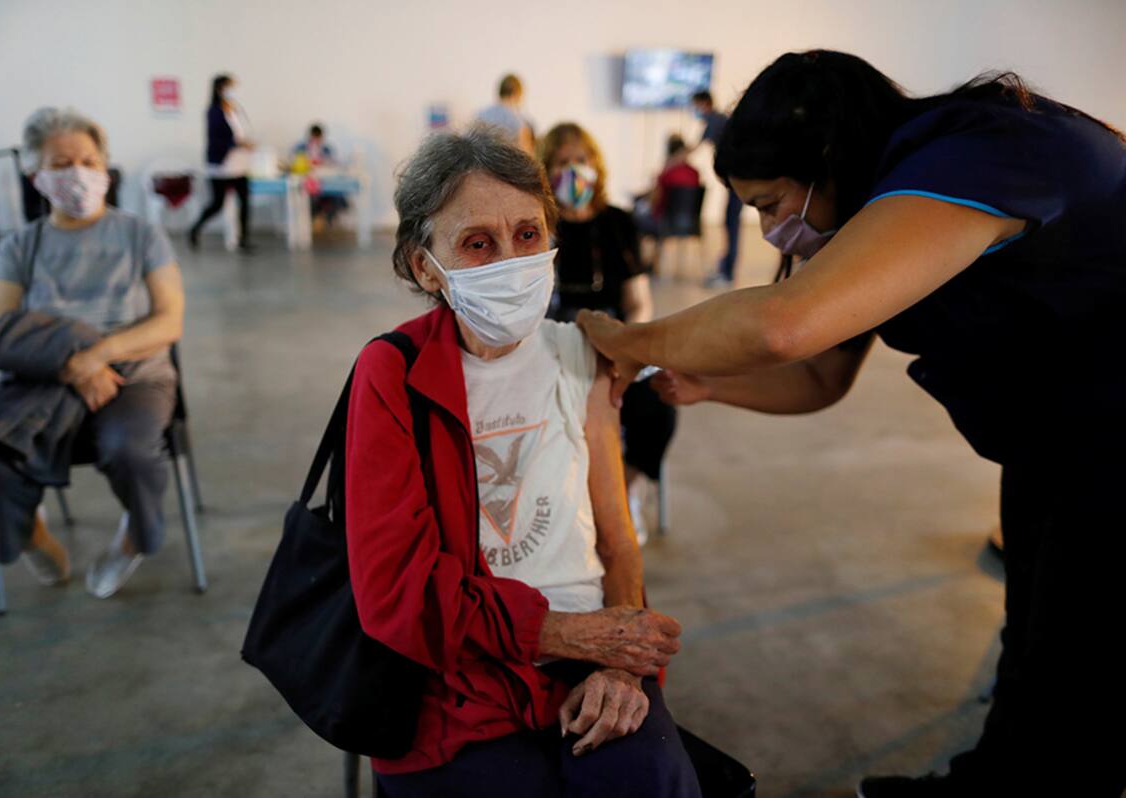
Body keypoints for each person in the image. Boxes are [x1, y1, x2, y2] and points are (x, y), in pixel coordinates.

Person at [578, 49, 1126, 798]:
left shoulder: (976, 157)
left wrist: (626, 339)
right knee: (1032, 628)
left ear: (827, 158)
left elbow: (784, 328)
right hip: (1059, 438)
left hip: (1110, 436)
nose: (771, 232)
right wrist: (707, 386)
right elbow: (818, 376)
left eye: (771, 205)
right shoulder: (877, 205)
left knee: (1080, 654)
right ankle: (993, 779)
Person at [346, 126, 699, 797]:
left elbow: (619, 540)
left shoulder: (578, 353)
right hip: (456, 674)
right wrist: (576, 635)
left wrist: (621, 667)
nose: (512, 258)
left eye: (528, 234)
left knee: (650, 781)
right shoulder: (393, 374)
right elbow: (399, 595)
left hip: (593, 651)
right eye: (478, 244)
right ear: (425, 267)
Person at [0, 107, 185, 599]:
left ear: (104, 167)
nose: (77, 173)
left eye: (87, 160)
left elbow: (169, 320)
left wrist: (97, 355)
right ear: (35, 174)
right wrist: (72, 365)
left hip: (134, 376)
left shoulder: (140, 234)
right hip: (43, 378)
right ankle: (32, 534)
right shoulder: (20, 247)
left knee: (129, 450)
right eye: (60, 164)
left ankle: (133, 539)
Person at [539, 122, 677, 543]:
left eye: (581, 160)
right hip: (553, 345)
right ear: (546, 170)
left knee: (658, 405)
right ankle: (571, 498)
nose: (574, 170)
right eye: (563, 163)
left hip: (617, 342)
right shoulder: (538, 226)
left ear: (596, 166)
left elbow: (639, 301)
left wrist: (630, 349)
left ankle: (622, 491)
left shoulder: (618, 223)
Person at [189, 73, 255, 252]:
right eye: (230, 87)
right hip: (221, 163)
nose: (234, 91)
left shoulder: (235, 110)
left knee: (245, 200)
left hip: (239, 162)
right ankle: (195, 229)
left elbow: (240, 133)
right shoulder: (213, 111)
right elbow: (216, 139)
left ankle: (243, 240)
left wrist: (247, 143)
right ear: (220, 89)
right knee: (217, 204)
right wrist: (239, 143)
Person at [691, 90, 743, 289]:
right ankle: (725, 268)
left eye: (695, 105)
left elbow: (695, 148)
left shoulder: (714, 119)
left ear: (704, 103)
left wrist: (671, 162)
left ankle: (728, 273)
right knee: (730, 222)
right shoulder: (718, 119)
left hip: (737, 179)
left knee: (732, 223)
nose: (694, 110)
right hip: (733, 180)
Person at [476, 73, 534, 153]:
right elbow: (526, 153)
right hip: (510, 163)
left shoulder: (481, 114)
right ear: (517, 93)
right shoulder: (520, 120)